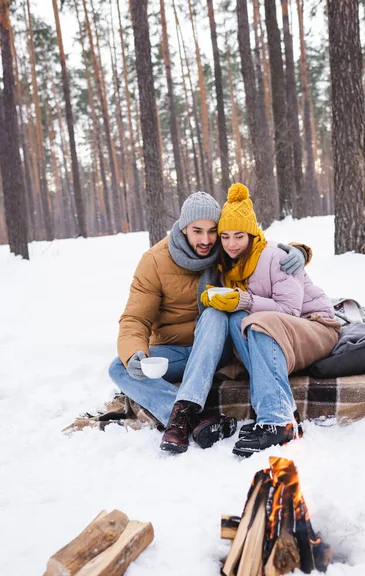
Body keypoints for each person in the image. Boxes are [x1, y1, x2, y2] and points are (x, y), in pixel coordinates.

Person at [108, 190, 310, 454]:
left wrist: (298, 251)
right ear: (183, 228)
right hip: (176, 350)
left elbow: (257, 246)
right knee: (119, 367)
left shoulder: (225, 253)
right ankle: (191, 419)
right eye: (197, 231)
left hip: (219, 347)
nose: (206, 239)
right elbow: (135, 318)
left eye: (212, 231)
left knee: (214, 314)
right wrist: (134, 352)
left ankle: (188, 413)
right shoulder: (155, 261)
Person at [200, 183, 340, 457]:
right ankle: (280, 413)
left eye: (238, 236)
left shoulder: (275, 257)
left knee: (257, 322)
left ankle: (277, 420)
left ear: (252, 234)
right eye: (225, 236)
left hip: (316, 326)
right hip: (280, 335)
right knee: (235, 320)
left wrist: (246, 300)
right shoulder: (229, 266)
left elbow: (289, 311)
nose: (230, 244)